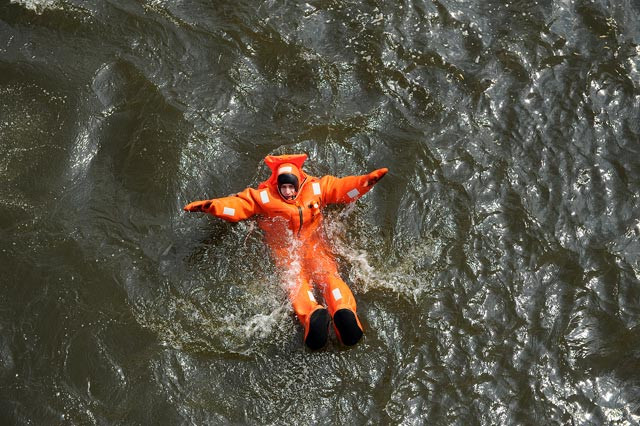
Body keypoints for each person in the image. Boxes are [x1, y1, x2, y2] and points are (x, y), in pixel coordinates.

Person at [184, 154, 388, 349]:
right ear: (278, 185)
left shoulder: (316, 188)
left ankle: (343, 311)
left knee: (329, 277)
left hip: (316, 247)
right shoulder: (264, 197)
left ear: (298, 184)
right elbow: (238, 206)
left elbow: (343, 189)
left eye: (292, 187)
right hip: (284, 251)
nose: (288, 192)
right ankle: (313, 316)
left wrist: (365, 182)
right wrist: (212, 207)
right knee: (297, 285)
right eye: (284, 187)